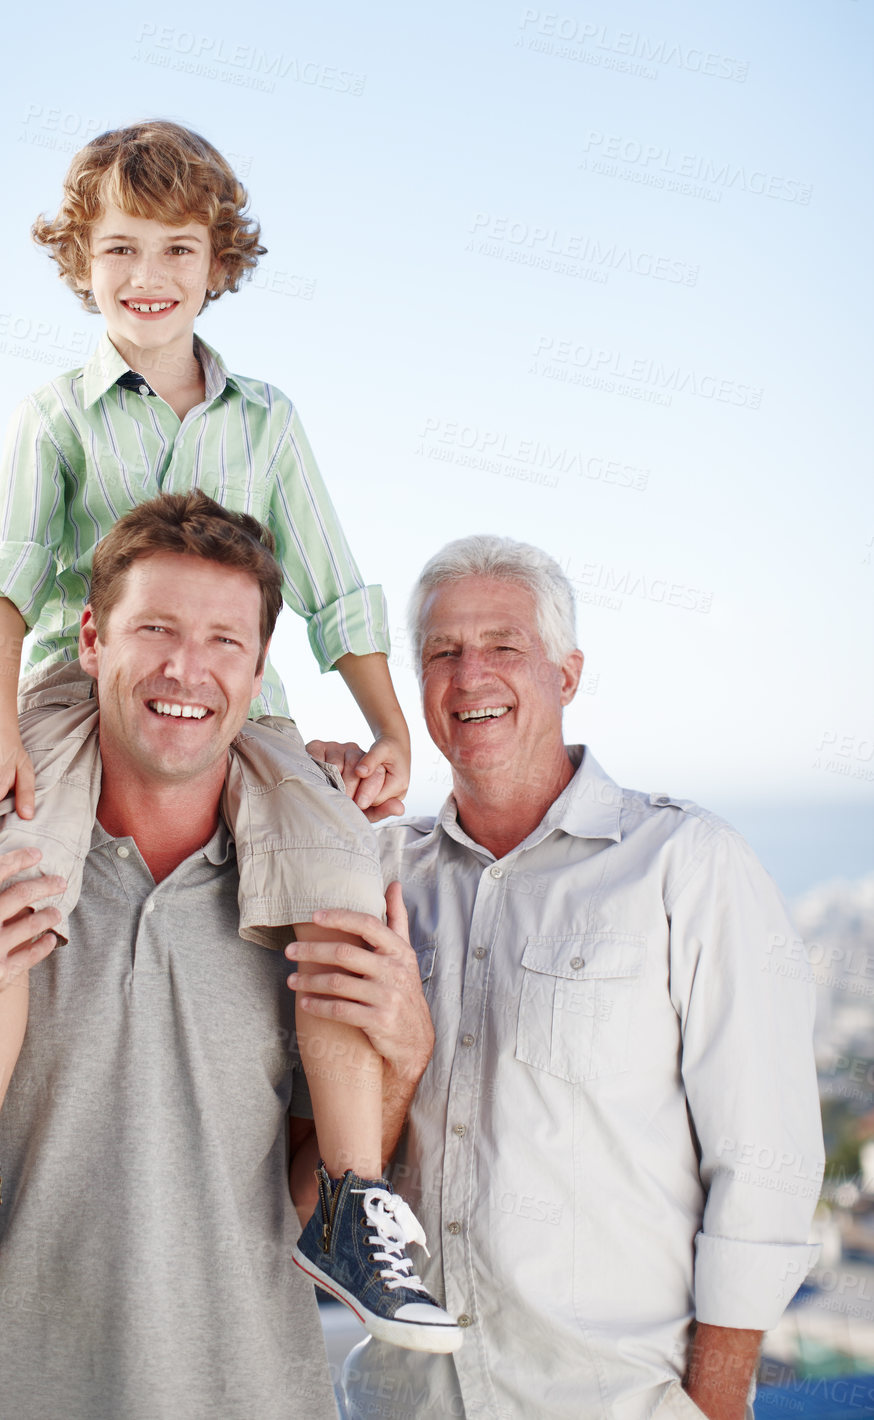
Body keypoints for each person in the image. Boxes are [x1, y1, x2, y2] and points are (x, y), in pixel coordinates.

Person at [0, 121, 457, 1348]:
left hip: (251, 713)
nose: (149, 272)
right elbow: (2, 591)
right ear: (79, 262)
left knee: (343, 871)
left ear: (217, 263)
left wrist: (389, 726)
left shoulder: (269, 422)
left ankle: (352, 1202)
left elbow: (336, 584)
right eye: (120, 246)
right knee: (11, 869)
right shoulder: (54, 416)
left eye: (177, 247)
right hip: (79, 703)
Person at [0, 496, 447, 1420]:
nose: (185, 670)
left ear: (257, 672)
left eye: (223, 643)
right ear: (90, 639)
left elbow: (292, 1198)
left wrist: (403, 1059)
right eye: (153, 628)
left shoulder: (308, 891)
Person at [294, 534, 824, 1420]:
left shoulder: (685, 865)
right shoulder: (375, 876)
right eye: (441, 654)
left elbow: (765, 1163)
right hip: (407, 1401)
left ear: (567, 675)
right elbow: (315, 1189)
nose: (470, 678)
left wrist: (718, 1406)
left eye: (504, 647)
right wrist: (305, 792)